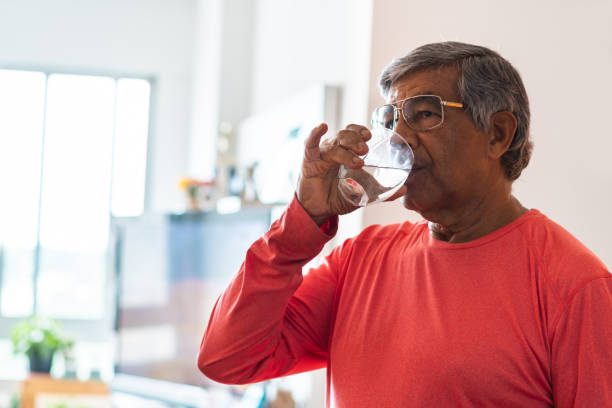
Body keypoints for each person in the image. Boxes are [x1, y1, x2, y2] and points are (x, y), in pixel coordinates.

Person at [198, 42, 612, 407]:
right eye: (391, 120)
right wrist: (303, 221)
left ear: (497, 135)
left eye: (425, 114)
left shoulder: (574, 285)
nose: (401, 140)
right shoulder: (359, 260)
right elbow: (228, 358)